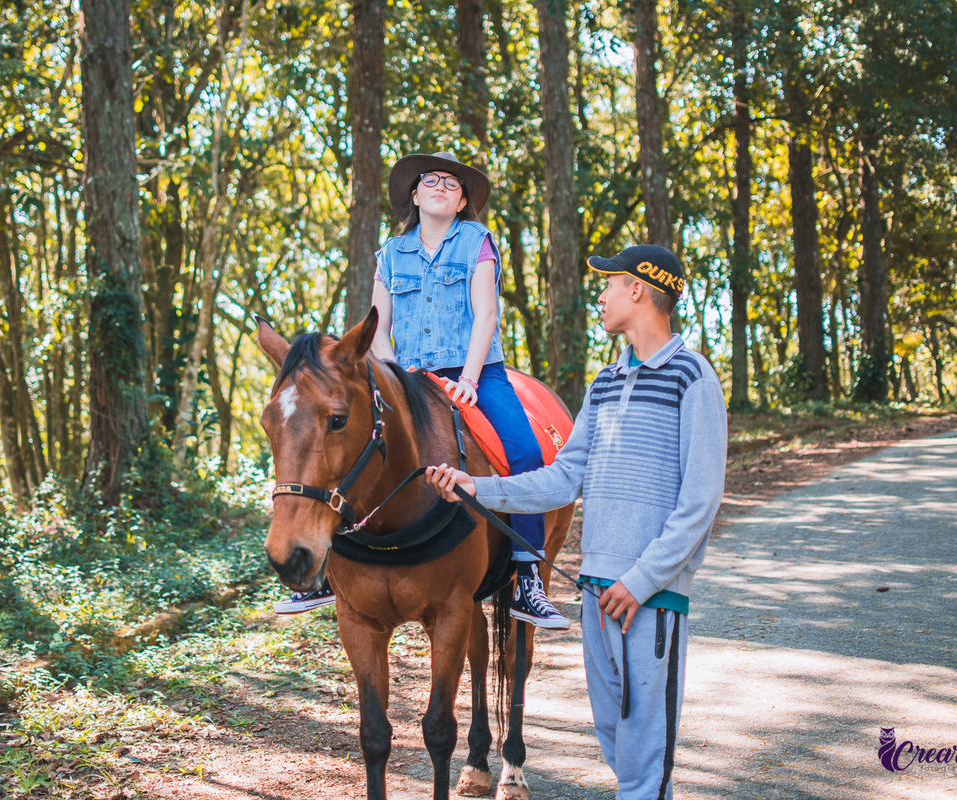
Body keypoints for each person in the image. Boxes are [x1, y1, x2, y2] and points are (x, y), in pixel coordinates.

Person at [426, 245, 727, 800]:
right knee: (614, 735)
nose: (602, 295)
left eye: (609, 284)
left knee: (645, 747)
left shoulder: (693, 378)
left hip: (649, 595)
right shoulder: (606, 382)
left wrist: (640, 582)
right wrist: (479, 488)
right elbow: (562, 479)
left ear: (638, 289)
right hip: (594, 589)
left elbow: (701, 500)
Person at [276, 151, 569, 629]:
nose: (440, 187)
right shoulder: (391, 253)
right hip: (407, 375)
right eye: (430, 181)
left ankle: (527, 576)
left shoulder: (477, 241)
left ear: (461, 203)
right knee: (349, 448)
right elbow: (379, 326)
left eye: (452, 185)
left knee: (524, 452)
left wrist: (470, 380)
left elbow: (486, 315)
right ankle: (328, 569)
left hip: (475, 370)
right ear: (414, 195)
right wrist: (391, 380)